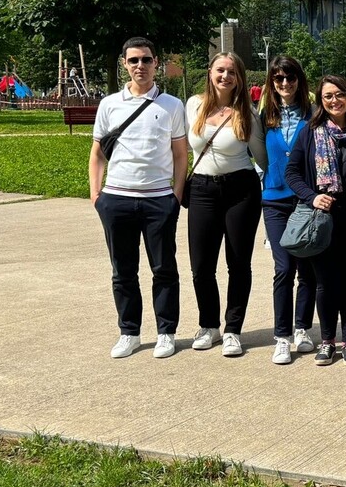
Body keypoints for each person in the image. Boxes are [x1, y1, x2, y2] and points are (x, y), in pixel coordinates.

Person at [89, 37, 188, 359]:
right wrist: (96, 194)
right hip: (116, 198)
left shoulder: (171, 105)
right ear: (124, 64)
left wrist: (175, 195)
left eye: (146, 59)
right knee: (123, 271)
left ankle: (166, 332)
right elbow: (97, 153)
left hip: (158, 199)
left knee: (164, 269)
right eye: (133, 60)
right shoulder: (109, 105)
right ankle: (129, 332)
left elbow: (180, 154)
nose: (140, 66)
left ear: (156, 62)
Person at [286, 74, 346, 367]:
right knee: (325, 284)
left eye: (340, 94)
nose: (334, 100)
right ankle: (327, 341)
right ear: (320, 100)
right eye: (328, 96)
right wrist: (312, 197)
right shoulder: (310, 132)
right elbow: (292, 172)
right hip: (323, 222)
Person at [186, 52, 267, 358]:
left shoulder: (248, 113)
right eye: (220, 70)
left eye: (232, 72)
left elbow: (263, 158)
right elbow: (181, 148)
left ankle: (233, 329)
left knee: (238, 264)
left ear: (239, 78)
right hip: (202, 189)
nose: (225, 76)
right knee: (201, 265)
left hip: (241, 191)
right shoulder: (194, 105)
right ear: (210, 72)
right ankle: (209, 325)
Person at [260, 56, 318, 365]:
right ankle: (282, 336)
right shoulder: (265, 115)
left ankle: (302, 328)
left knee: (307, 269)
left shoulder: (313, 114)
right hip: (275, 200)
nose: (285, 83)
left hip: (305, 199)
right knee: (284, 268)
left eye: (290, 77)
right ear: (272, 82)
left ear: (299, 80)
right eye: (279, 78)